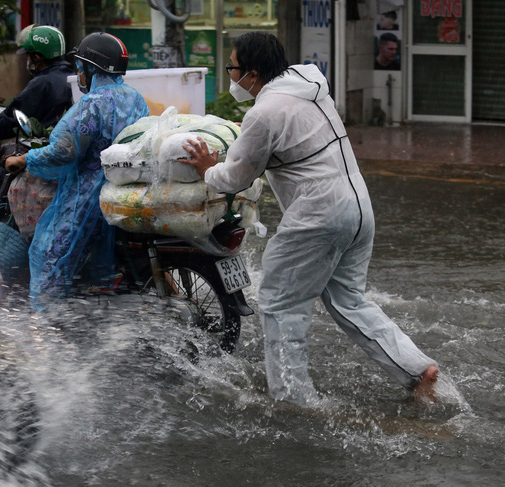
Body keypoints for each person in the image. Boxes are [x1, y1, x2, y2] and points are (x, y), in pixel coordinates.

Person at [180, 32, 438, 406]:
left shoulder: (264, 113)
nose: (230, 75)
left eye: (233, 68)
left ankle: (293, 400)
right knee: (349, 299)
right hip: (357, 207)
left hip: (319, 216)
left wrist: (208, 169)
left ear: (252, 74)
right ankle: (416, 369)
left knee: (279, 303)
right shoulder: (309, 84)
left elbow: (237, 176)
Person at [5, 32, 149, 309]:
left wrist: (27, 158)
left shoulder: (92, 103)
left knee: (50, 253)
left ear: (92, 69)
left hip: (87, 194)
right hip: (122, 185)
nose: (79, 75)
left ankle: (49, 316)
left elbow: (63, 152)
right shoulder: (134, 97)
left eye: (82, 68)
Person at [0, 24, 74, 204]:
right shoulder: (71, 77)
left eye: (29, 56)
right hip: (62, 151)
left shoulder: (42, 83)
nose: (27, 61)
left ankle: (4, 230)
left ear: (37, 57)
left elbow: (9, 121)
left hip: (45, 152)